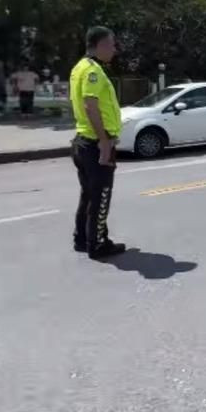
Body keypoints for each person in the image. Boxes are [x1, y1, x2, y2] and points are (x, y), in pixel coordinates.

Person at [69, 27, 126, 260]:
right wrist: (104, 141)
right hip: (95, 144)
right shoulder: (93, 72)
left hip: (82, 142)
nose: (114, 49)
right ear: (100, 45)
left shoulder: (78, 68)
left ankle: (82, 239)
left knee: (88, 195)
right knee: (101, 194)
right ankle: (98, 244)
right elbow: (90, 105)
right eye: (111, 44)